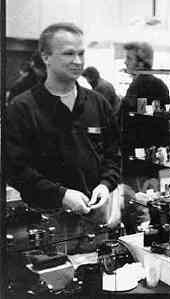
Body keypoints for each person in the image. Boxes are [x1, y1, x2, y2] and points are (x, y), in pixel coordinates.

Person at [6, 23, 121, 216]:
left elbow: (113, 155)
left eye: (81, 53)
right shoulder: (22, 108)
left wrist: (105, 185)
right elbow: (15, 169)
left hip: (96, 214)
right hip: (45, 219)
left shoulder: (98, 103)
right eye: (68, 54)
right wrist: (61, 195)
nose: (78, 61)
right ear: (46, 57)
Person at [123, 41, 170, 107]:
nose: (125, 62)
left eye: (129, 58)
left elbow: (127, 111)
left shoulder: (137, 85)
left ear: (141, 64)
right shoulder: (160, 84)